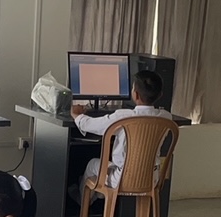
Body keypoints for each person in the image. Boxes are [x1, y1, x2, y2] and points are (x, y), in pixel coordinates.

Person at [70, 70, 171, 201]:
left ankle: (84, 201)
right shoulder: (166, 117)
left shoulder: (123, 117)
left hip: (122, 180)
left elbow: (90, 125)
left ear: (135, 94)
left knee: (92, 164)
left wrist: (76, 115)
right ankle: (101, 195)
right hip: (151, 179)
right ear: (160, 95)